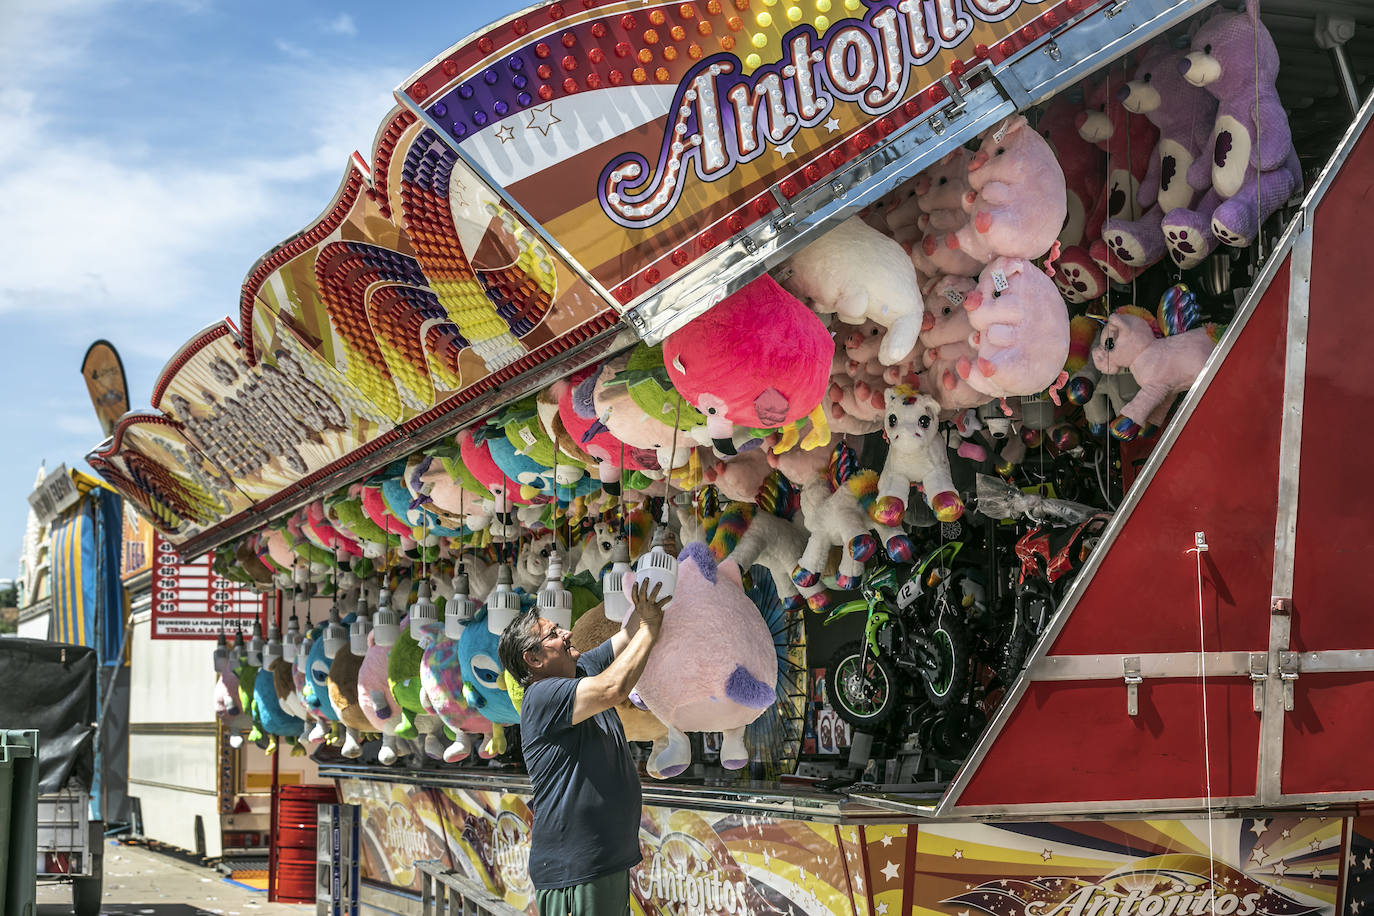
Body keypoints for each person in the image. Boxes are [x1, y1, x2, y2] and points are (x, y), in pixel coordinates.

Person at [498, 579, 669, 916]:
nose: (566, 633)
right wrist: (650, 627)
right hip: (575, 870)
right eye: (552, 634)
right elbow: (614, 687)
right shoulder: (542, 696)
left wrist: (647, 597)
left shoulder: (579, 671)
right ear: (532, 658)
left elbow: (624, 637)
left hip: (600, 862)